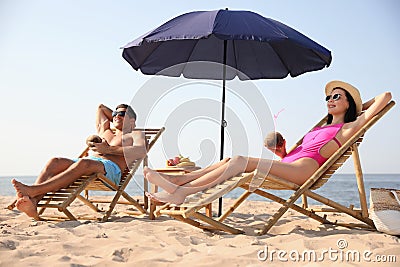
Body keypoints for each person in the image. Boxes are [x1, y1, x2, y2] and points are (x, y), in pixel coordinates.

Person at [143, 80, 392, 205]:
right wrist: (283, 153)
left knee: (240, 160)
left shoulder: (348, 128)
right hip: (291, 164)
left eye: (337, 96)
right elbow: (297, 153)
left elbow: (385, 97)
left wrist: (360, 108)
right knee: (231, 159)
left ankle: (183, 192)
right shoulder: (320, 127)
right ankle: (178, 181)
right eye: (329, 96)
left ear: (349, 104)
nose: (330, 99)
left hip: (303, 171)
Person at [12, 104, 147, 220]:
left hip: (111, 169)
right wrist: (118, 117)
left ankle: (32, 190)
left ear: (132, 121)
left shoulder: (135, 134)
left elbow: (141, 151)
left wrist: (109, 149)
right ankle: (33, 203)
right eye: (115, 113)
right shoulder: (104, 131)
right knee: (54, 162)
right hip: (89, 163)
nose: (117, 115)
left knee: (84, 164)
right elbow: (101, 108)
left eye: (122, 113)